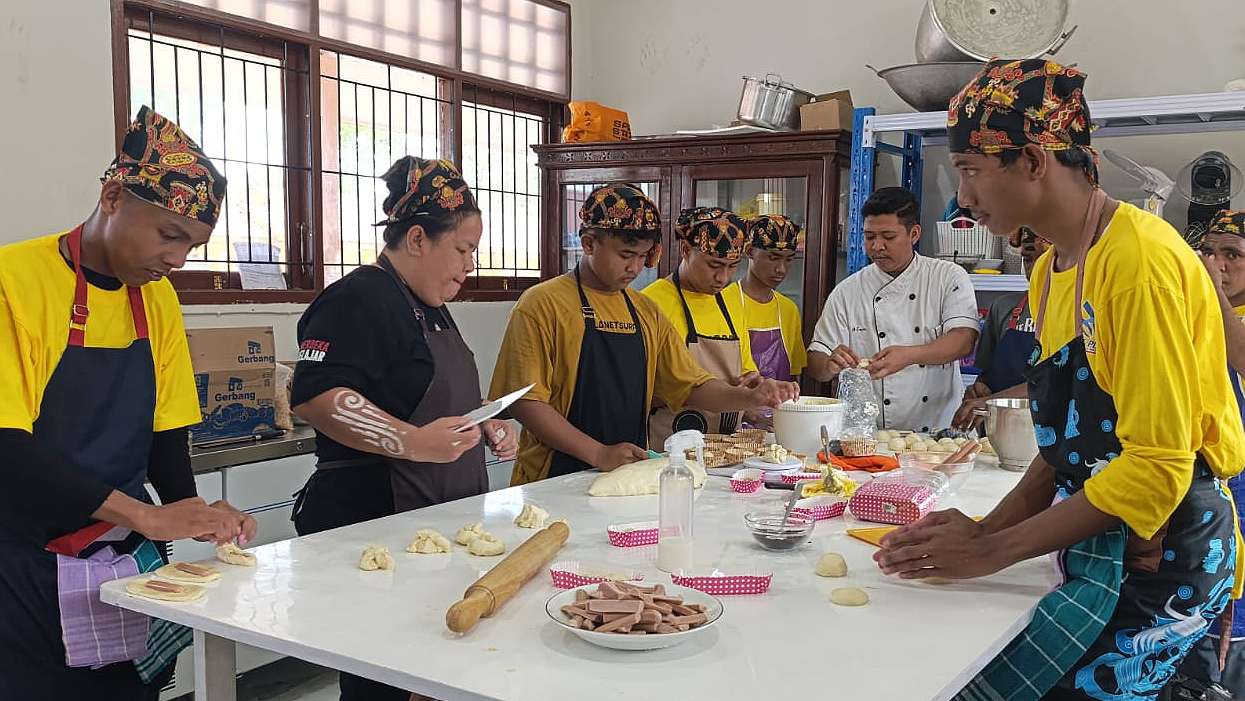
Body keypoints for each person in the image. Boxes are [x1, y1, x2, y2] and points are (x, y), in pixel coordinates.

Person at [875, 59, 1245, 701]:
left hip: (1165, 550)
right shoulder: (1053, 270)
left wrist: (994, 552)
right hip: (1099, 531)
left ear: (1033, 161)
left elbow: (1158, 466)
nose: (962, 198)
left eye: (970, 169)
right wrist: (987, 530)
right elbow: (1064, 439)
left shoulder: (1138, 264)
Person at [0, 106, 255, 699]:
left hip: (121, 564)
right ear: (113, 197)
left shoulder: (156, 298)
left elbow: (165, 430)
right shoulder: (15, 281)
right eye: (169, 235)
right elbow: (7, 446)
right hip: (23, 563)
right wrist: (145, 514)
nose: (178, 260)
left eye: (192, 245)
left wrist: (193, 508)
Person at [289, 157, 518, 701]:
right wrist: (413, 442)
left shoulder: (427, 303)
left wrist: (483, 420)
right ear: (417, 239)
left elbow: (416, 391)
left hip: (434, 523)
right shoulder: (359, 298)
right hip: (376, 520)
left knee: (434, 669)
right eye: (462, 249)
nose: (468, 265)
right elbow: (318, 396)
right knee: (383, 681)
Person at [491, 184, 798, 484]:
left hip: (628, 472)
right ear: (588, 244)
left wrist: (749, 396)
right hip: (551, 478)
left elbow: (690, 386)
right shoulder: (543, 304)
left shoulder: (644, 310)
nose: (636, 267)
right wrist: (598, 453)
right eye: (626, 255)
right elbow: (525, 402)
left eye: (643, 256)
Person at [806, 187, 980, 431]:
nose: (877, 246)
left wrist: (908, 356)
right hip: (869, 434)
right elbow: (815, 361)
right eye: (869, 237)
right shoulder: (848, 291)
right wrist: (829, 365)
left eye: (888, 237)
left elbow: (963, 341)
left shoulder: (946, 277)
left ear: (914, 234)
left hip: (937, 431)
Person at [1174, 208, 1245, 697]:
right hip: (1195, 514)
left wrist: (1210, 289)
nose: (1217, 262)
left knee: (1229, 648)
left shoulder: (1226, 320)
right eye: (1208, 251)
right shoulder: (1193, 318)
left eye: (1232, 254)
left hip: (1240, 508)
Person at [642, 207, 785, 446]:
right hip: (668, 449)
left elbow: (745, 371)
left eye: (732, 266)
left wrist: (752, 383)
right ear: (685, 250)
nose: (723, 277)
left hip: (726, 449)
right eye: (714, 265)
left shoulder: (731, 303)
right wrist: (694, 391)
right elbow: (639, 392)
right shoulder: (651, 303)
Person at [952, 227, 1050, 429]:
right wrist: (978, 390)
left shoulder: (1080, 315)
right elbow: (987, 374)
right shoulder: (1004, 307)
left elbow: (1057, 382)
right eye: (1028, 259)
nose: (1035, 269)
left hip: (1050, 429)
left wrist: (991, 401)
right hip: (1002, 429)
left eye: (1045, 259)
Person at [727, 214, 808, 429]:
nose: (781, 269)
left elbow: (794, 377)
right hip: (730, 423)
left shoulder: (789, 310)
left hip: (779, 422)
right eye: (773, 257)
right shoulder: (722, 303)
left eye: (789, 259)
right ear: (749, 251)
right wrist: (748, 413)